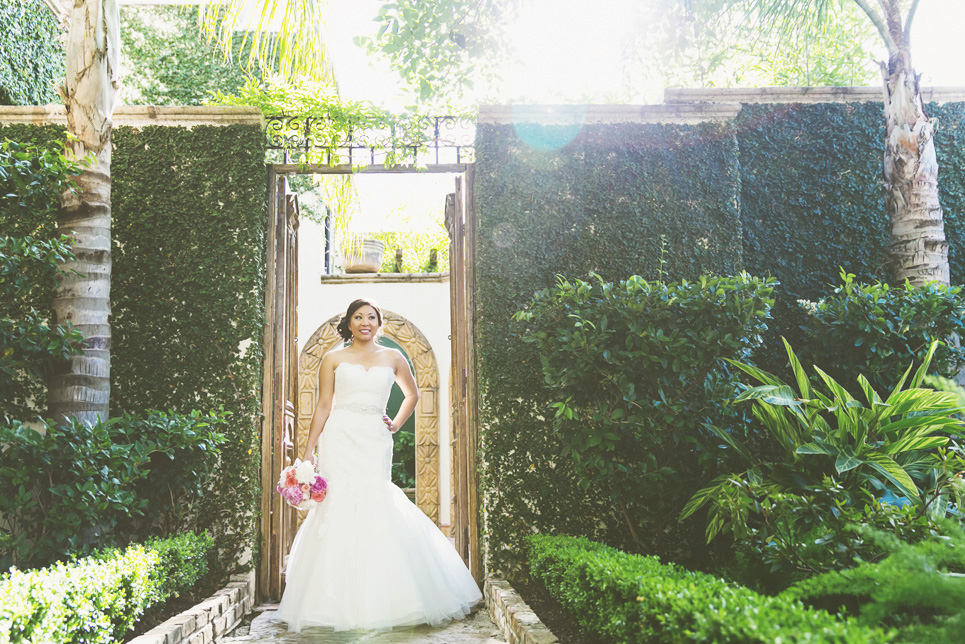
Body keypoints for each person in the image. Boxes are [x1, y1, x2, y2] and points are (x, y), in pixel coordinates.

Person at [275, 298, 482, 632]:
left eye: (371, 317)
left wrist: (397, 423)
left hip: (375, 436)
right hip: (340, 436)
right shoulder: (332, 358)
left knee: (377, 498)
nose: (365, 322)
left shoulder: (394, 357)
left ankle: (388, 597)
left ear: (378, 323)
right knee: (338, 502)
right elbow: (324, 405)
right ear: (349, 322)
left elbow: (412, 394)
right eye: (359, 317)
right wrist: (309, 448)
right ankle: (333, 603)